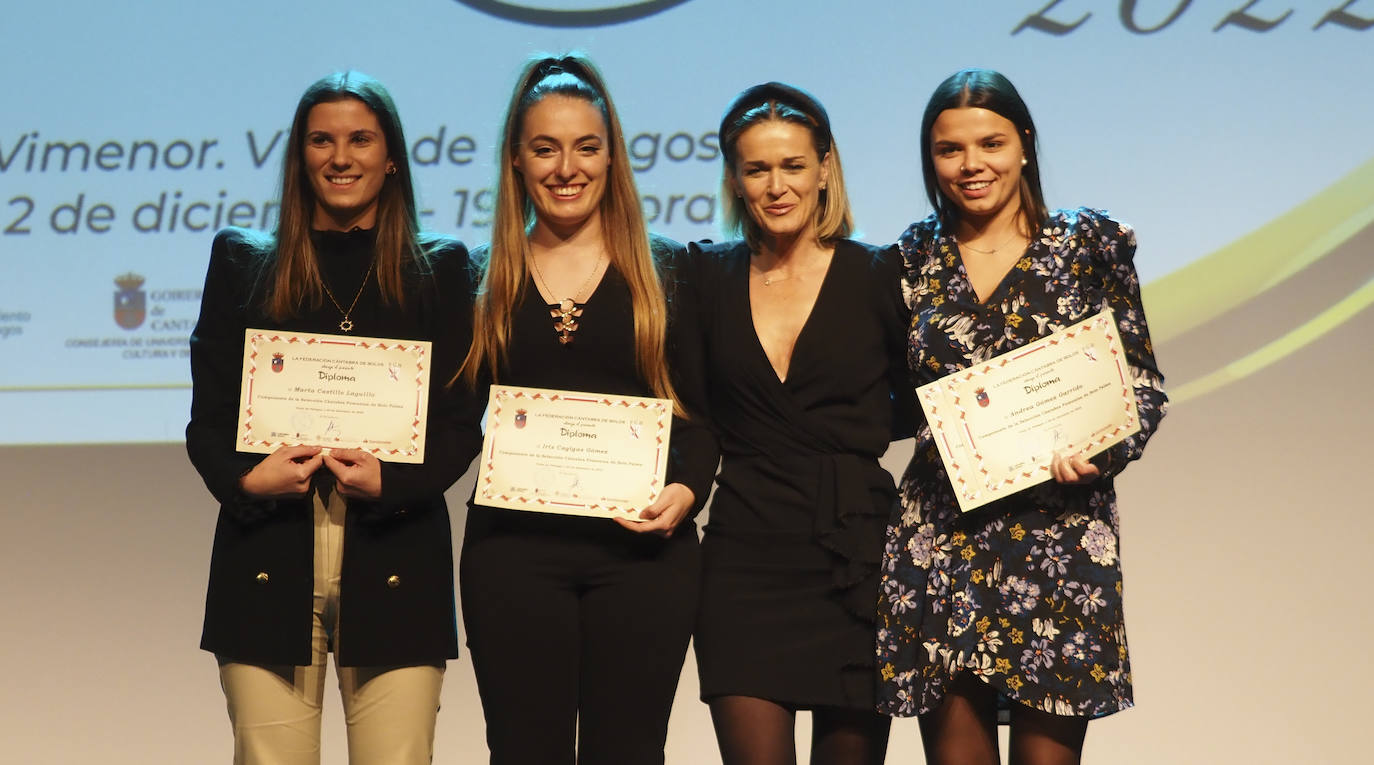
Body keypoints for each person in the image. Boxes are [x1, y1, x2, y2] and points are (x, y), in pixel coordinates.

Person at [875, 68, 1168, 765]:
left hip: (1058, 537)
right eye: (950, 149)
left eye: (991, 143)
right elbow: (888, 399)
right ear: (930, 159)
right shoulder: (908, 259)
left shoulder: (1090, 245)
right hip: (940, 540)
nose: (972, 164)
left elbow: (1142, 384)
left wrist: (1104, 450)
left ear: (1025, 144)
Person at [186, 71, 479, 765]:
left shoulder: (439, 268)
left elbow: (463, 420)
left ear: (392, 157)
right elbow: (207, 419)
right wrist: (249, 481)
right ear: (300, 156)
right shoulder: (242, 261)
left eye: (360, 140)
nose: (340, 157)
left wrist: (396, 482)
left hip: (396, 548)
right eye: (322, 140)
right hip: (267, 550)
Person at [455, 54, 717, 765]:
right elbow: (449, 423)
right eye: (545, 148)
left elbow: (700, 415)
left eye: (586, 146)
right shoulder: (480, 279)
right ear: (516, 160)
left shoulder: (669, 270)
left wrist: (686, 491)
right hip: (512, 557)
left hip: (643, 556)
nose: (566, 167)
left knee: (628, 752)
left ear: (611, 156)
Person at [686, 82, 913, 765]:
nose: (776, 185)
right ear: (735, 179)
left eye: (792, 165)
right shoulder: (704, 276)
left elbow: (923, 397)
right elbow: (688, 405)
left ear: (824, 169)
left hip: (854, 554)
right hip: (742, 556)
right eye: (757, 169)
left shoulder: (879, 273)